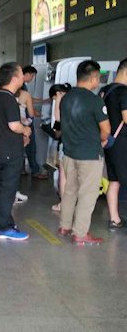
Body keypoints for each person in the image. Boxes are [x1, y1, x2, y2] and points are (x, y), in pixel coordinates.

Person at [58, 60, 110, 245]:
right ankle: (80, 234)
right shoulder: (95, 100)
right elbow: (106, 129)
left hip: (70, 152)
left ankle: (65, 225)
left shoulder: (66, 98)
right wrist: (102, 139)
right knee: (88, 194)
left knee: (70, 190)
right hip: (89, 154)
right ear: (94, 78)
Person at [0, 63, 31, 241]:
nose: (23, 77)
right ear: (14, 78)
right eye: (21, 74)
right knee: (8, 188)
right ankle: (5, 227)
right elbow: (14, 126)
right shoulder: (9, 99)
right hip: (10, 150)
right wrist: (25, 130)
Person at [100, 59, 127, 230]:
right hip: (123, 143)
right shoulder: (124, 91)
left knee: (114, 180)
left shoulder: (105, 90)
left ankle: (114, 219)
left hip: (110, 142)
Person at [20, 66, 48, 180]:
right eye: (32, 76)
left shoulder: (20, 86)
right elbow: (28, 101)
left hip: (19, 121)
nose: (32, 78)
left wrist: (42, 101)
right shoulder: (21, 86)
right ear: (26, 74)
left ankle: (21, 169)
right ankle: (35, 171)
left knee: (20, 147)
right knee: (31, 146)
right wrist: (33, 112)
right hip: (25, 121)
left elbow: (27, 101)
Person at [48, 83, 71, 212]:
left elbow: (58, 119)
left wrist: (58, 100)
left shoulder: (62, 100)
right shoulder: (76, 98)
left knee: (64, 175)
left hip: (66, 143)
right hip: (80, 143)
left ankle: (63, 204)